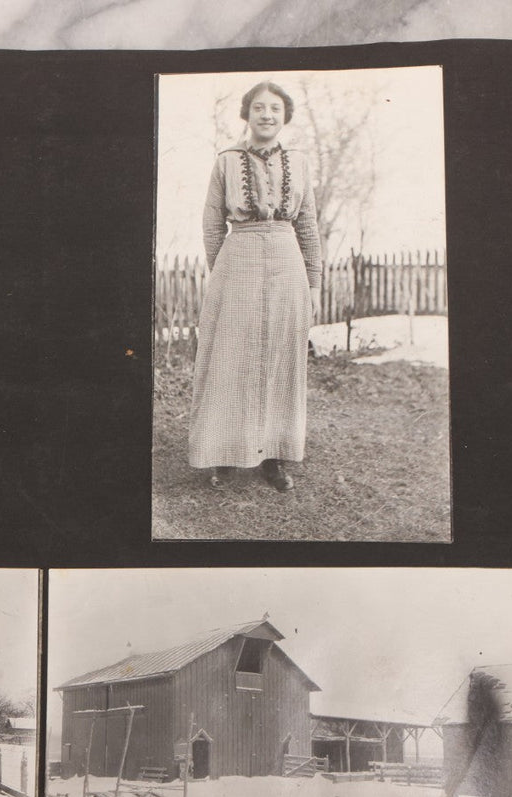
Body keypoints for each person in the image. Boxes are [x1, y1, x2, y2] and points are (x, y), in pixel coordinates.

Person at [189, 81, 322, 493]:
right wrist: (224, 273)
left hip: (287, 263)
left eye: (275, 109)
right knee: (232, 357)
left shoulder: (298, 162)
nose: (267, 115)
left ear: (285, 117)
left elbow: (309, 226)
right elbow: (213, 224)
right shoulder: (226, 161)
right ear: (246, 114)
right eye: (259, 108)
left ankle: (275, 458)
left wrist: (313, 283)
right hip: (238, 260)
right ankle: (225, 456)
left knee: (281, 358)